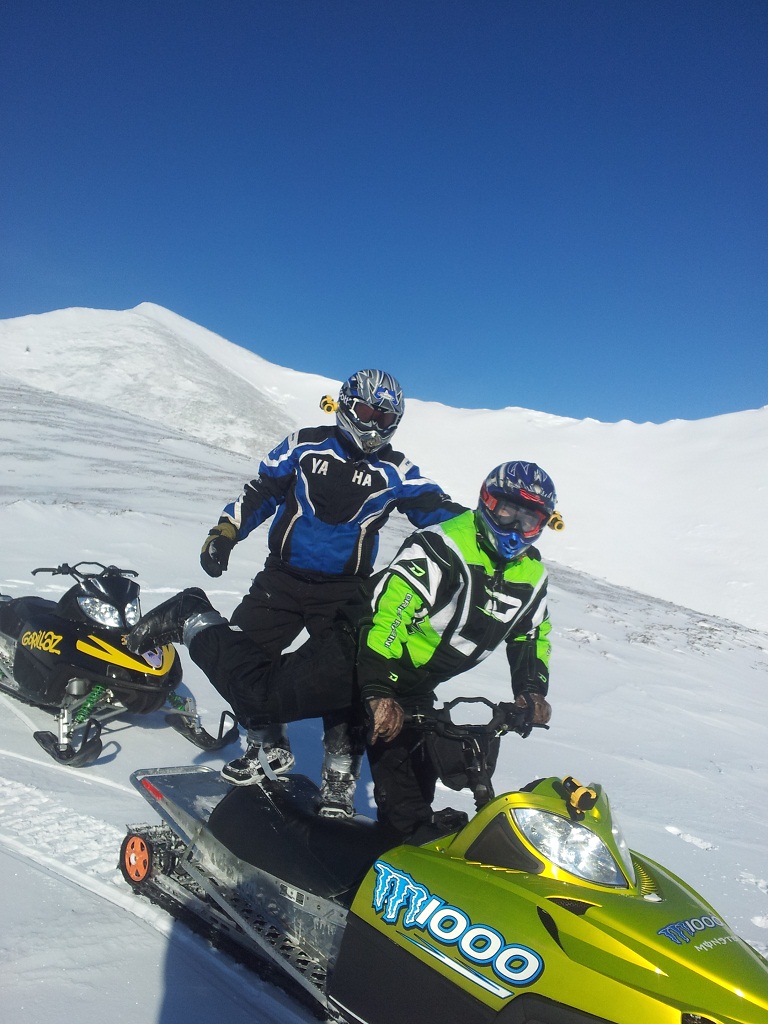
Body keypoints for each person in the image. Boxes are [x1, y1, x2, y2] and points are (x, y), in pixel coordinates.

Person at [127, 461, 557, 840]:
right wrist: (378, 691)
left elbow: (532, 634)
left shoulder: (532, 575)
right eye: (507, 511)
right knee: (259, 697)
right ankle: (192, 616)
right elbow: (389, 616)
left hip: (411, 681)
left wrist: (532, 689)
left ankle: (400, 870)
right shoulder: (443, 545)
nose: (514, 528)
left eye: (529, 519)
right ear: (486, 502)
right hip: (357, 649)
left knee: (408, 798)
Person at [198, 369, 464, 816]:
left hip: (346, 590)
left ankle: (340, 773)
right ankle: (265, 742)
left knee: (346, 677)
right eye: (367, 412)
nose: (374, 426)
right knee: (243, 651)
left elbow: (437, 510)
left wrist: (486, 531)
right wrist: (225, 532)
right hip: (282, 578)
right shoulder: (303, 445)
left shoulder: (395, 469)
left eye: (385, 419)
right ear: (345, 405)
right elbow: (261, 492)